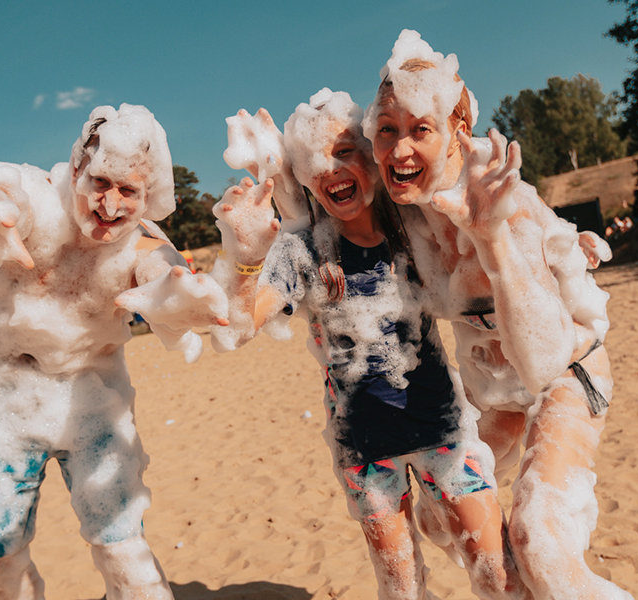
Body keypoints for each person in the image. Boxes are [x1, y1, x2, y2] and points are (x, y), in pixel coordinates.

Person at [211, 93, 525, 599]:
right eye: (318, 160)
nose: (332, 168)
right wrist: (245, 258)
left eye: (345, 151)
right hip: (364, 450)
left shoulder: (416, 228)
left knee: (497, 574)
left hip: (443, 431)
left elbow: (488, 253)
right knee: (401, 589)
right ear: (307, 175)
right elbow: (240, 324)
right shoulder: (304, 250)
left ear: (373, 160)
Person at [0, 104, 229, 600]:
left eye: (128, 191)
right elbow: (12, 199)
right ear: (76, 172)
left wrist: (181, 301)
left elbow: (164, 277)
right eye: (101, 183)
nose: (110, 203)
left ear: (148, 196)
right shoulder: (39, 206)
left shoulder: (140, 247)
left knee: (120, 543)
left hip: (91, 401)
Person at [363, 31, 628, 599]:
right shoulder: (400, 206)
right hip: (495, 393)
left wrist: (494, 243)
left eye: (420, 130)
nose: (400, 149)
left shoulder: (499, 198)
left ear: (457, 132)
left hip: (564, 377)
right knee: (440, 517)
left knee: (538, 535)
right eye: (388, 129)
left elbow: (544, 357)